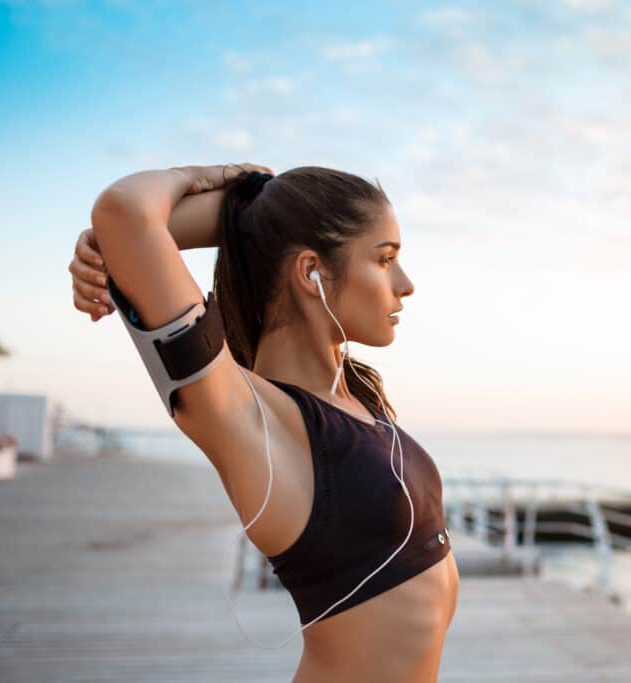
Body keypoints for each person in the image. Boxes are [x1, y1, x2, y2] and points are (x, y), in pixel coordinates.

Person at [68, 163, 460, 682]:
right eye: (384, 259)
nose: (404, 285)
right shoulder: (245, 412)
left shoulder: (354, 396)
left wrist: (251, 205)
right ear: (310, 272)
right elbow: (125, 213)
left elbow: (141, 230)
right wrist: (219, 179)